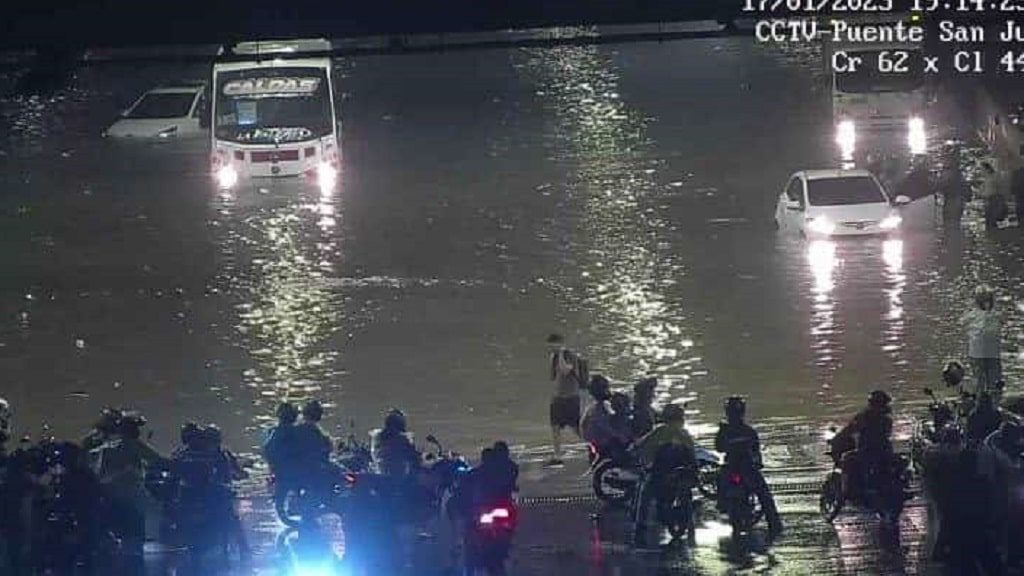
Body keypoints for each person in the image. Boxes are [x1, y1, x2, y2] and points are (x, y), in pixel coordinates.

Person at [94, 412, 165, 576]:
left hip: (110, 501)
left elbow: (99, 476)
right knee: (135, 542)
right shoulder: (134, 445)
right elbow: (158, 460)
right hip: (132, 501)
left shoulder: (107, 448)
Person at [714, 396, 783, 538]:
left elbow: (720, 448)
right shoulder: (745, 431)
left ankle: (774, 523)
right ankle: (774, 523)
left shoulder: (728, 431)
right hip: (741, 467)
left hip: (741, 467)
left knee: (763, 494)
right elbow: (721, 448)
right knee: (764, 495)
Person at [630, 403, 696, 547]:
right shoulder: (683, 433)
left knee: (644, 495)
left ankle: (639, 530)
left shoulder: (659, 431)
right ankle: (691, 526)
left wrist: (633, 449)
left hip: (661, 473)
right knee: (687, 493)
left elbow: (642, 445)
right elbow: (692, 454)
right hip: (679, 473)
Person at [832, 390, 895, 505]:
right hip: (885, 452)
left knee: (846, 459)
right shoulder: (887, 418)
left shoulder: (865, 416)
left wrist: (837, 439)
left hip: (867, 451)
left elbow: (849, 430)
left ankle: (845, 493)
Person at [546, 333, 587, 466]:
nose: (552, 348)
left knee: (576, 428)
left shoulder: (570, 356)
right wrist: (554, 358)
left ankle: (593, 446)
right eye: (550, 346)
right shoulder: (553, 357)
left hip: (571, 397)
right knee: (555, 427)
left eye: (554, 345)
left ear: (560, 344)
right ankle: (558, 455)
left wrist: (562, 354)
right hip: (558, 397)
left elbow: (565, 371)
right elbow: (553, 376)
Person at [962, 284, 1002, 396]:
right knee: (988, 382)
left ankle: (984, 403)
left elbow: (965, 325)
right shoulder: (993, 315)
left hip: (983, 353)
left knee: (984, 382)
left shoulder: (973, 314)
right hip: (985, 354)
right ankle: (988, 403)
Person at [581, 376, 630, 460]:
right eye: (606, 388)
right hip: (602, 445)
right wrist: (621, 437)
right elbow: (606, 429)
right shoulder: (599, 410)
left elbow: (582, 425)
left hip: (593, 442)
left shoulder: (592, 408)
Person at [371, 409, 420, 478]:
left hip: (381, 470)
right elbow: (413, 457)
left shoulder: (377, 436)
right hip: (399, 475)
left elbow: (374, 453)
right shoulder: (404, 438)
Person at [940, 152, 967, 224]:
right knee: (952, 219)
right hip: (951, 198)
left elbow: (943, 184)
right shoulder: (955, 172)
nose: (944, 162)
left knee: (952, 219)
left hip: (954, 198)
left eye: (946, 160)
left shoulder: (951, 172)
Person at [980, 161, 1007, 230]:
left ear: (988, 169)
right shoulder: (986, 178)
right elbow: (984, 190)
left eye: (982, 169)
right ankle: (990, 232)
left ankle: (994, 233)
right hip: (987, 199)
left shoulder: (995, 176)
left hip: (994, 199)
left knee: (993, 218)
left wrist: (1002, 200)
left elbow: (1000, 188)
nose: (981, 171)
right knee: (988, 218)